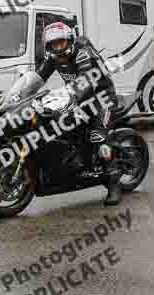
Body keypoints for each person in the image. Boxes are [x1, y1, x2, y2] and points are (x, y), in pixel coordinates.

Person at [36, 22, 123, 206]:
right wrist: (23, 94)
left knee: (99, 137)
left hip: (102, 98)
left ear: (69, 40)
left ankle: (114, 183)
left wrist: (71, 99)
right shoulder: (53, 57)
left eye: (61, 42)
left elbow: (85, 80)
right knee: (57, 124)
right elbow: (39, 77)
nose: (58, 47)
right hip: (80, 97)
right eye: (54, 44)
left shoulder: (82, 52)